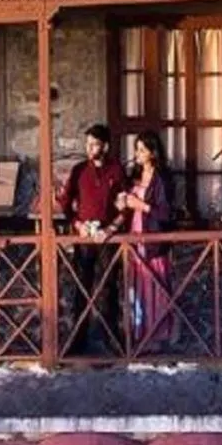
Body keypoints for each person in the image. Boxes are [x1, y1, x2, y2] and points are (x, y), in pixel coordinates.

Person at [57, 123, 128, 353]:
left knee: (109, 288)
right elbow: (65, 203)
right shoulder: (78, 170)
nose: (89, 148)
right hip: (85, 238)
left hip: (108, 238)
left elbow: (125, 205)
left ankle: (111, 339)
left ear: (105, 146)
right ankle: (77, 340)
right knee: (81, 286)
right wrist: (78, 225)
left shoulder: (116, 170)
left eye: (94, 144)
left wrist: (111, 229)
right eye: (87, 144)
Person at [116, 131, 174, 350]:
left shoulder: (162, 178)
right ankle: (138, 331)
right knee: (137, 285)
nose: (137, 154)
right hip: (135, 235)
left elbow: (166, 213)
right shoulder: (135, 175)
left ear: (153, 152)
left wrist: (141, 205)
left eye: (142, 149)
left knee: (154, 284)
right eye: (136, 149)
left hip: (153, 238)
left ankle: (157, 334)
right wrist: (122, 202)